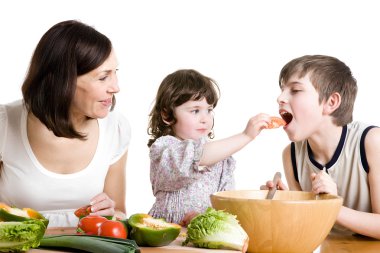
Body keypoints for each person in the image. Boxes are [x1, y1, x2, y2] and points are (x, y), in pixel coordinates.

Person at [0, 20, 131, 227]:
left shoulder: (116, 128)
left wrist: (111, 212)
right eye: (103, 77)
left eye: (116, 73)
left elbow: (120, 214)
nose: (115, 87)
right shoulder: (5, 124)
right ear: (65, 81)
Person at [262, 55, 380, 239]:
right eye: (282, 89)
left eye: (295, 90)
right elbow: (306, 228)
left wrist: (332, 207)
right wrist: (288, 205)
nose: (280, 98)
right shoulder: (291, 155)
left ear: (331, 102)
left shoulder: (372, 142)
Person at [147, 69, 274, 226]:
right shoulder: (165, 149)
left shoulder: (221, 157)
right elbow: (197, 156)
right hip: (165, 235)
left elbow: (228, 204)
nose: (205, 119)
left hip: (204, 237)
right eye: (195, 111)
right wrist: (246, 136)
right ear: (167, 115)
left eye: (209, 110)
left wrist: (264, 197)